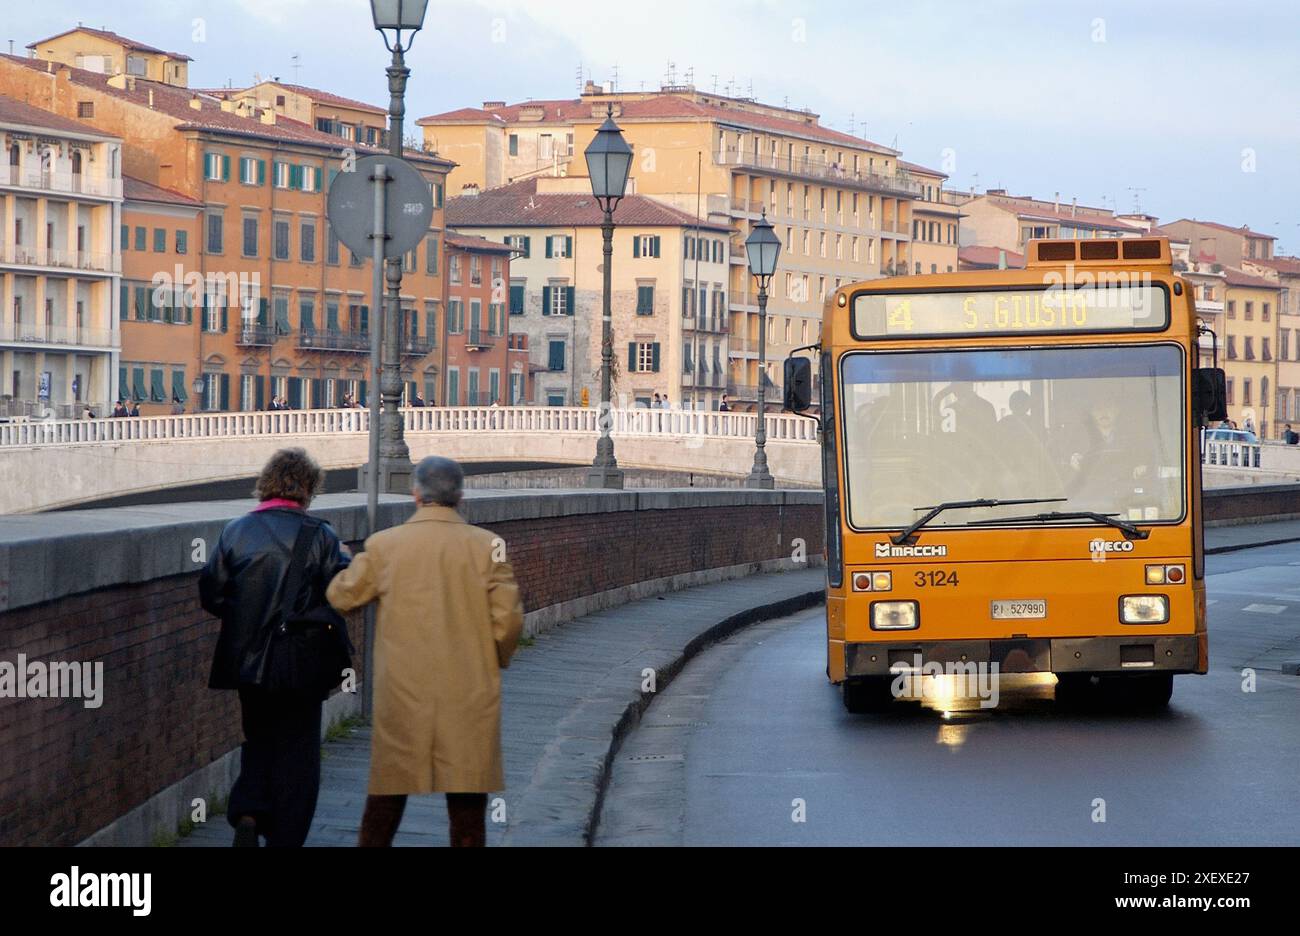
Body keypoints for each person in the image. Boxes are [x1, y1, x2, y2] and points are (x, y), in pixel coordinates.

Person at [326, 456, 523, 848]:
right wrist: (492, 660)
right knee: (467, 807)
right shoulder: (489, 547)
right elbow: (508, 622)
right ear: (461, 497)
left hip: (404, 692)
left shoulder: (385, 545)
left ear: (416, 494)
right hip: (468, 691)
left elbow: (342, 596)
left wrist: (347, 562)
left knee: (386, 800)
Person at [199, 448, 352, 847]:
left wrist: (247, 618)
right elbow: (342, 594)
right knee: (298, 753)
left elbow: (213, 594)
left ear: (266, 483)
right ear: (309, 488)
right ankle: (285, 837)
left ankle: (248, 810)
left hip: (250, 664)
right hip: (301, 663)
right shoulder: (321, 534)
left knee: (259, 737)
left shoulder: (235, 531)